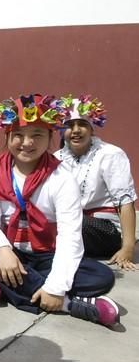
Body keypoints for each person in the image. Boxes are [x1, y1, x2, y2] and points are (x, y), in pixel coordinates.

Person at [0, 94, 120, 327]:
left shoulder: (61, 178)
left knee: (101, 276)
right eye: (18, 135)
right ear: (8, 136)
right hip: (8, 252)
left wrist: (56, 286)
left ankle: (3, 287)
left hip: (46, 255)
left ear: (50, 137)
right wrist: (3, 251)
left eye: (37, 135)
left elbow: (70, 234)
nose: (27, 143)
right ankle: (70, 305)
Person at [55, 95, 136, 269]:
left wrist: (128, 248)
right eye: (69, 126)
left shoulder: (110, 155)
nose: (76, 130)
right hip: (70, 223)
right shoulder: (56, 158)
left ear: (92, 129)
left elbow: (125, 201)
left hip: (104, 230)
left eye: (82, 125)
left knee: (72, 221)